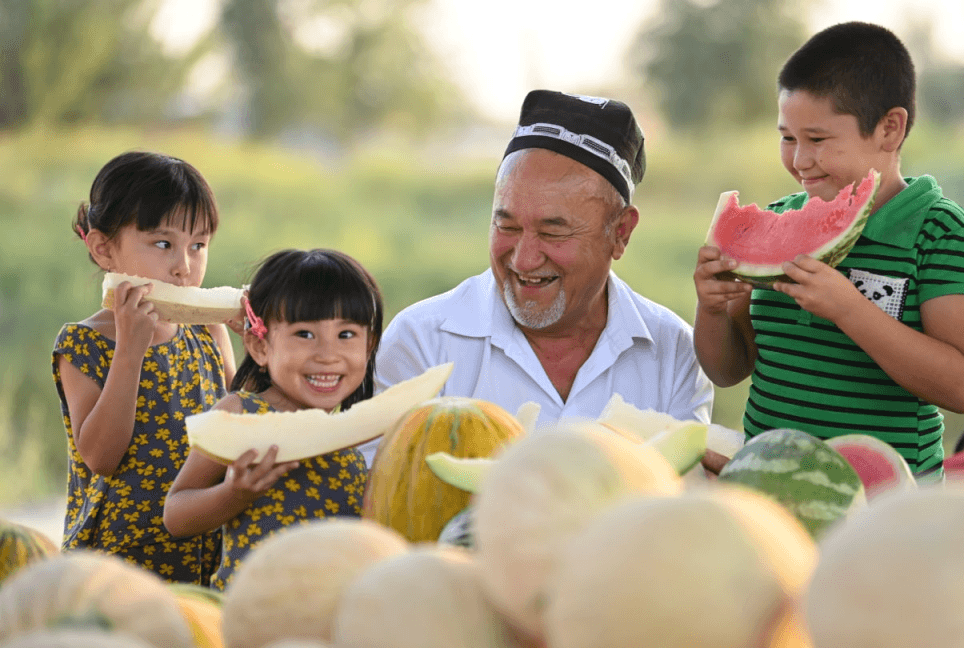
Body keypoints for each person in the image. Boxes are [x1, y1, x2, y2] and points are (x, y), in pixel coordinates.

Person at [693, 21, 964, 482]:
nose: (799, 160)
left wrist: (849, 309)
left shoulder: (940, 233)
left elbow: (962, 386)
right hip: (768, 491)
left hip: (885, 508)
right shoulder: (777, 220)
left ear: (889, 129)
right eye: (787, 137)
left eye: (817, 139)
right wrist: (714, 310)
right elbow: (729, 370)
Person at [373, 89, 714, 466]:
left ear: (620, 233)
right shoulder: (420, 342)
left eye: (553, 233)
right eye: (507, 226)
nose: (524, 258)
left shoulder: (675, 353)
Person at [53, 150, 235, 583]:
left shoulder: (209, 332)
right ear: (103, 249)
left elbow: (242, 422)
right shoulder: (83, 344)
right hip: (118, 566)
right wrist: (130, 351)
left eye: (198, 246)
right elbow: (100, 456)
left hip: (205, 554)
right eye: (162, 244)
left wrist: (266, 353)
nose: (183, 267)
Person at [163, 248, 382, 591]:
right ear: (260, 347)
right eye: (305, 334)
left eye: (346, 335)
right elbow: (176, 514)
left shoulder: (356, 440)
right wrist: (233, 494)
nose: (328, 355)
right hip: (254, 613)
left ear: (369, 347)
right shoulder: (240, 413)